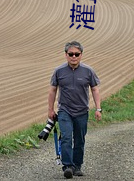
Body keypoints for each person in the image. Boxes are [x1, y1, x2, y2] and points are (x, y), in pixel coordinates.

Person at [48, 41, 102, 179]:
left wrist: (98, 108)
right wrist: (50, 110)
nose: (74, 57)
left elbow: (95, 89)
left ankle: (77, 166)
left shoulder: (88, 71)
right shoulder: (59, 71)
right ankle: (67, 166)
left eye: (76, 54)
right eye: (70, 54)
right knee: (66, 137)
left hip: (82, 111)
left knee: (79, 139)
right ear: (66, 55)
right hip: (64, 110)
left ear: (81, 55)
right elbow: (53, 90)